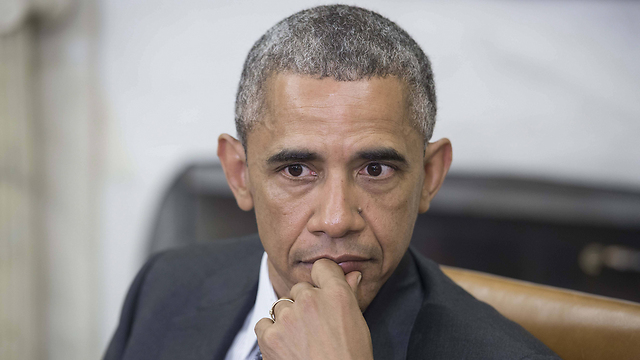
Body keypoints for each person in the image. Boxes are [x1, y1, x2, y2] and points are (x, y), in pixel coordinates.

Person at [104, 5, 560, 360]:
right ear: (240, 174)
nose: (338, 219)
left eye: (376, 169)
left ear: (430, 176)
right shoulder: (165, 285)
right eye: (296, 170)